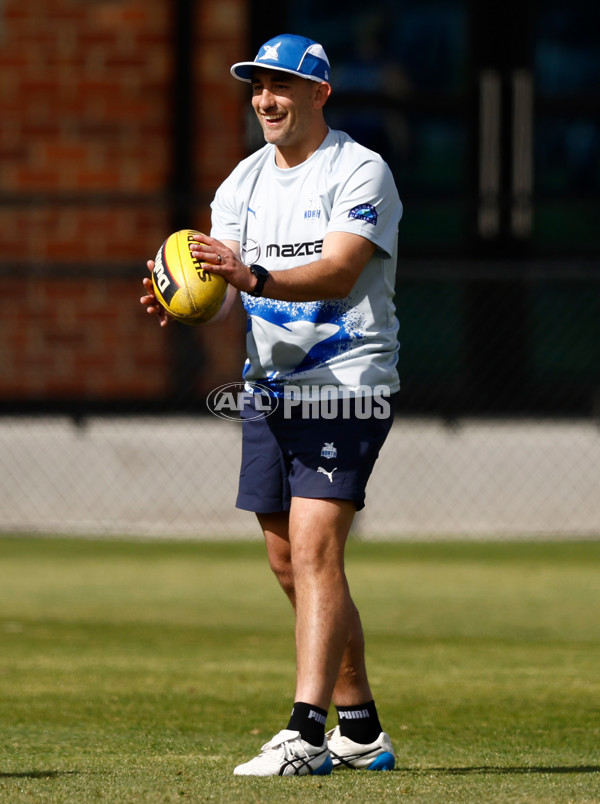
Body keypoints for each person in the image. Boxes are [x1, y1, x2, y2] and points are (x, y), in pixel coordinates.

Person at [141, 33, 402, 777]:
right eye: (257, 85)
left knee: (318, 549)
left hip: (346, 385)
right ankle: (359, 728)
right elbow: (223, 294)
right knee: (290, 562)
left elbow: (340, 272)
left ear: (320, 93)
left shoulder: (360, 171)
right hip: (268, 391)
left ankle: (305, 735)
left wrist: (248, 277)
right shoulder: (241, 183)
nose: (266, 98)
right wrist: (187, 300)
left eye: (282, 85)